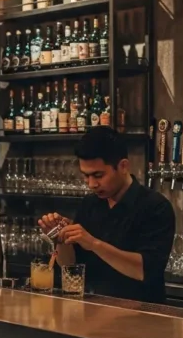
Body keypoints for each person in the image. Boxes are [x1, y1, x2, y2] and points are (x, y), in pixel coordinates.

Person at [38, 127, 175, 303]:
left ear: (123, 166)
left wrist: (94, 244)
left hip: (140, 317)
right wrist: (61, 239)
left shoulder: (155, 207)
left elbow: (144, 270)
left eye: (98, 175)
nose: (92, 184)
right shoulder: (90, 204)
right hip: (91, 313)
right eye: (86, 176)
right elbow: (69, 265)